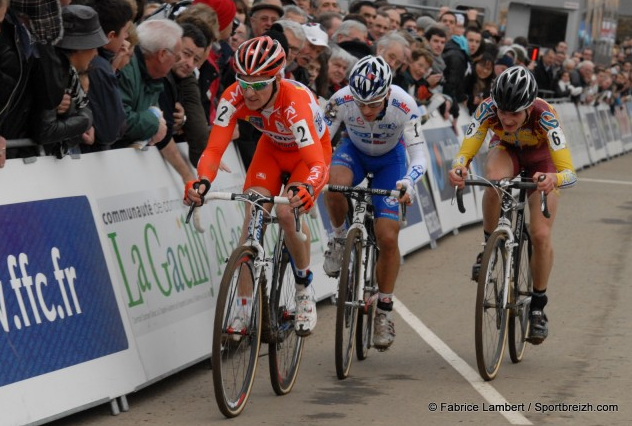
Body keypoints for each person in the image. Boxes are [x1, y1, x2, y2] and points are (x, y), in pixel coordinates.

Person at [184, 36, 332, 336]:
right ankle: (243, 305)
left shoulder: (294, 104)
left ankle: (304, 288)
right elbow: (213, 150)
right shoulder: (233, 96)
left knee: (289, 213)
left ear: (277, 79)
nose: (248, 92)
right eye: (243, 81)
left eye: (258, 84)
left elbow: (318, 165)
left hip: (309, 154)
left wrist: (307, 189)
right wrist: (202, 181)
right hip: (273, 150)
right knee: (253, 215)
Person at [449, 66, 577, 345]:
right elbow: (466, 150)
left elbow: (570, 174)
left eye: (515, 113)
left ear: (529, 107)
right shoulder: (487, 109)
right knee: (494, 180)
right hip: (507, 152)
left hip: (544, 162)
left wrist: (554, 177)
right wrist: (459, 168)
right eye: (502, 111)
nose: (506, 119)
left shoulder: (546, 115)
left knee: (541, 234)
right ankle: (488, 247)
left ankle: (539, 307)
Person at [322, 55, 428, 350]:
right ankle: (340, 239)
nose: (366, 111)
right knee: (333, 185)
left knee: (387, 237)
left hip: (390, 161)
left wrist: (409, 181)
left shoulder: (405, 104)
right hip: (352, 151)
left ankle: (383, 309)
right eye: (360, 104)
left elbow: (420, 156)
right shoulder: (340, 100)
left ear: (387, 94)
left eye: (373, 104)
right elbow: (320, 143)